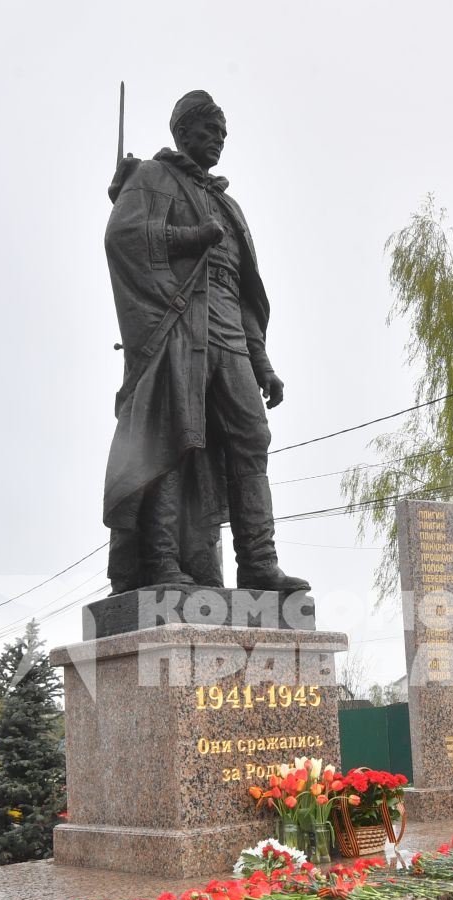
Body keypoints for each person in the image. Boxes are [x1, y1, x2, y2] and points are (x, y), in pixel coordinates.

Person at [101, 90, 308, 595]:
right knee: (175, 439)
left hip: (231, 335)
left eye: (223, 133)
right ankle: (162, 562)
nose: (218, 140)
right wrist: (193, 237)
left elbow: (241, 289)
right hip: (177, 328)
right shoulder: (152, 176)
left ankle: (259, 562)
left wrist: (263, 364)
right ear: (184, 131)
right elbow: (123, 237)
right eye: (210, 129)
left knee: (251, 441)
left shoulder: (227, 204)